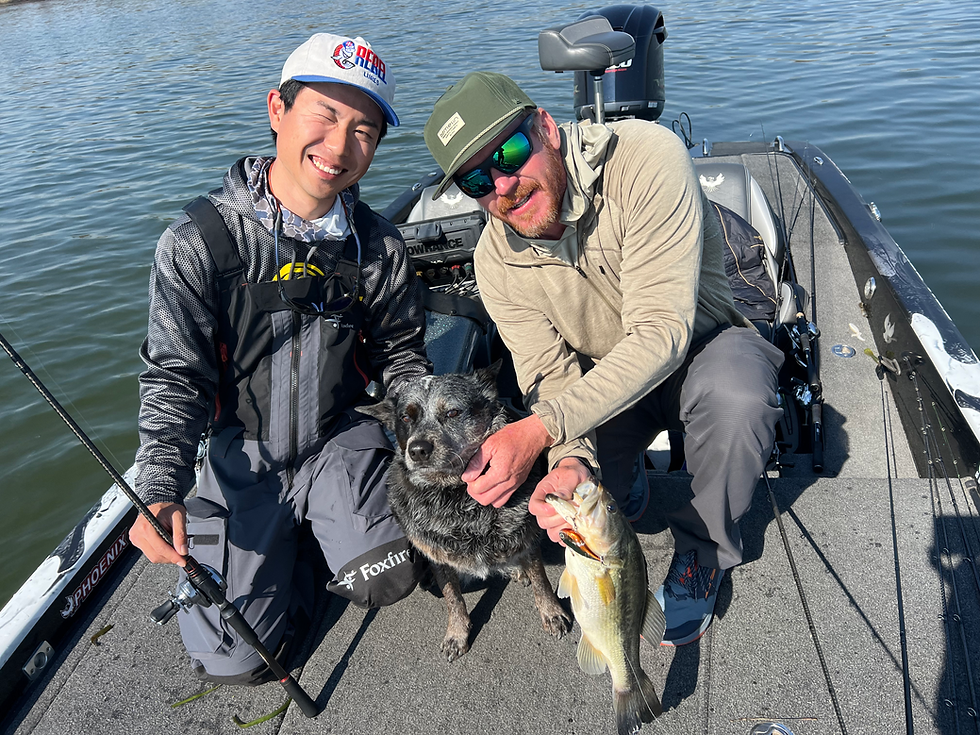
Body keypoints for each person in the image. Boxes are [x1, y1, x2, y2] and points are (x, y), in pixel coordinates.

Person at [423, 72, 784, 646]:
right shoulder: (494, 260)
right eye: (476, 180)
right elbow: (548, 371)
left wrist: (541, 430)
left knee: (739, 401)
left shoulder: (645, 157)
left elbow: (663, 333)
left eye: (510, 152)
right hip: (601, 381)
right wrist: (571, 458)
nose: (503, 184)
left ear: (546, 127)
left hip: (703, 347)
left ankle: (702, 553)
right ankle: (623, 474)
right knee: (568, 498)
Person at [130, 32, 431, 683]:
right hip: (243, 453)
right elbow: (174, 378)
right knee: (236, 660)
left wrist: (430, 438)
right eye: (325, 115)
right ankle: (291, 547)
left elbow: (403, 359)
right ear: (277, 109)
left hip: (339, 437)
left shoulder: (379, 247)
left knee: (391, 572)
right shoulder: (196, 243)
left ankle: (328, 532)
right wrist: (159, 489)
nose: (340, 146)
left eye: (364, 131)